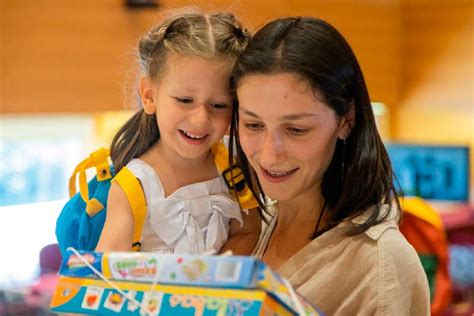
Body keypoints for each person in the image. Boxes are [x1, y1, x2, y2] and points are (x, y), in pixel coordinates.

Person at [227, 17, 430, 314]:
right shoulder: (245, 225)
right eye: (253, 124)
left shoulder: (381, 265)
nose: (269, 155)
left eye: (296, 130)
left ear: (346, 120)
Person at [96, 11, 260, 255]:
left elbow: (248, 231)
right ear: (149, 96)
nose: (201, 119)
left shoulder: (234, 163)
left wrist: (214, 278)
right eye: (185, 100)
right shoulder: (134, 186)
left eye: (219, 105)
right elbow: (105, 270)